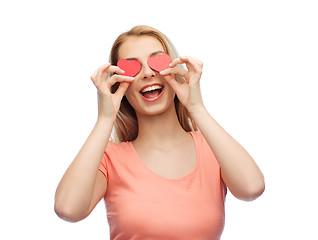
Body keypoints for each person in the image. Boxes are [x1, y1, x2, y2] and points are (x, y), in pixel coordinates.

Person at [54, 25, 265, 239]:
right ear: (120, 83)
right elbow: (68, 209)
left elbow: (252, 188)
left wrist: (196, 108)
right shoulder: (109, 158)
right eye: (132, 68)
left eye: (157, 61)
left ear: (175, 69)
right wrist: (105, 118)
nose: (147, 73)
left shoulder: (212, 147)